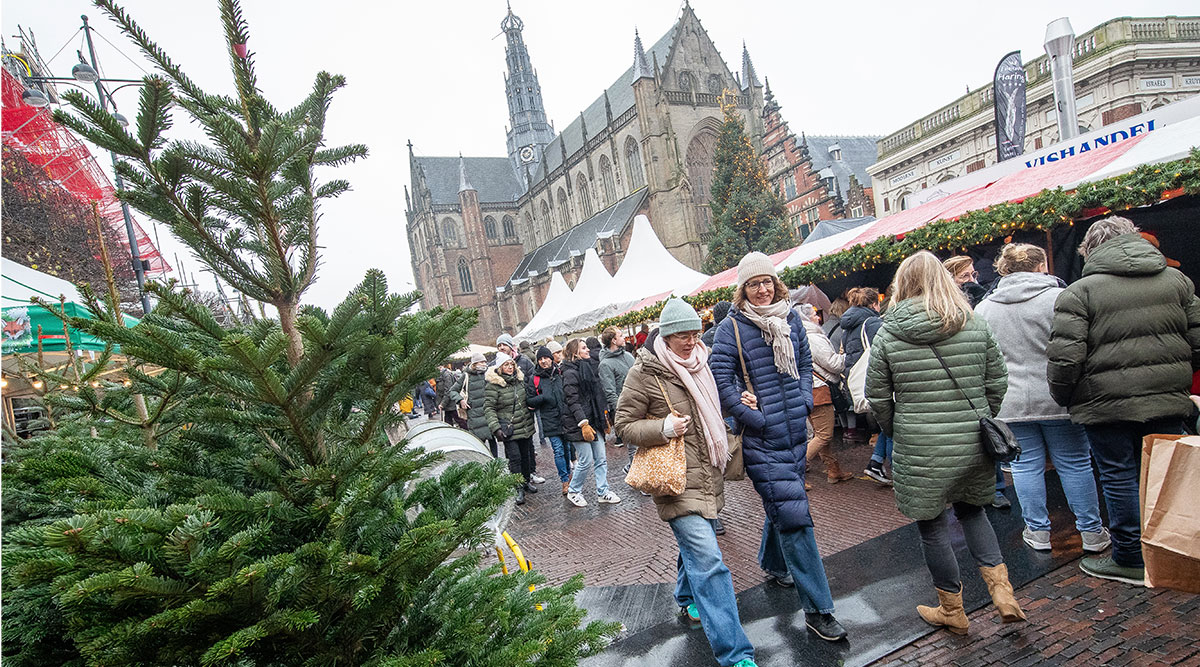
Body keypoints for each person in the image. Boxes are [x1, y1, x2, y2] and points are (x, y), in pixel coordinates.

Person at [865, 250, 1025, 635]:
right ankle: (1003, 595)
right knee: (974, 513)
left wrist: (896, 429)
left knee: (932, 527)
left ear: (902, 284)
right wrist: (979, 416)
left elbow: (878, 396)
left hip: (919, 447)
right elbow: (997, 380)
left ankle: (953, 610)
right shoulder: (973, 323)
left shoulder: (889, 333)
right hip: (971, 441)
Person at [1047, 217, 1200, 585]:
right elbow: (1197, 340)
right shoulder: (1177, 281)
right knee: (1166, 475)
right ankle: (1174, 549)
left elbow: (1066, 359)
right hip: (1166, 398)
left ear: (1091, 250)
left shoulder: (1079, 293)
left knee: (1118, 475)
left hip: (1105, 405)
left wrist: (1065, 396)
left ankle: (1130, 557)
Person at [710, 252, 847, 643]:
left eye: (767, 281)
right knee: (795, 519)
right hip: (763, 440)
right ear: (743, 289)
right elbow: (722, 381)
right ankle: (819, 610)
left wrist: (805, 399)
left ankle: (772, 562)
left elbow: (804, 362)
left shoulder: (790, 319)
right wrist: (752, 416)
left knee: (783, 506)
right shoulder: (731, 328)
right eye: (754, 283)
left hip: (794, 432)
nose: (762, 288)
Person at [614, 298, 758, 667]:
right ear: (666, 334)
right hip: (676, 479)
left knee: (699, 547)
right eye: (683, 335)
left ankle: (684, 596)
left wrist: (733, 402)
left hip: (708, 472)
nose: (691, 341)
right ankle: (735, 654)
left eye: (695, 333)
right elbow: (623, 426)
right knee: (710, 562)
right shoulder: (644, 372)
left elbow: (707, 407)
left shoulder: (703, 362)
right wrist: (662, 427)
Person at [975, 243, 1109, 554]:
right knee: (1076, 464)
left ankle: (1037, 531)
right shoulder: (1060, 299)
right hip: (1060, 396)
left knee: (1024, 468)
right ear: (1041, 266)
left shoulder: (985, 308)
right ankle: (1091, 532)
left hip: (1012, 402)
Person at [795, 303, 853, 485]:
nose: (817, 318)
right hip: (819, 390)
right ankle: (795, 472)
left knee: (821, 433)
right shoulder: (813, 337)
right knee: (824, 435)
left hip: (809, 389)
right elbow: (833, 364)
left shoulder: (798, 336)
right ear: (806, 318)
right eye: (813, 315)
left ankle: (833, 470)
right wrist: (847, 357)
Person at [562, 339, 621, 506]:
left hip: (594, 420)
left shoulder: (589, 367)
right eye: (584, 348)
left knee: (601, 458)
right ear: (575, 353)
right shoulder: (569, 373)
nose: (588, 350)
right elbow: (572, 400)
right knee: (586, 460)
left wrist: (604, 417)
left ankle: (603, 491)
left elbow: (597, 395)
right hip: (578, 424)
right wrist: (583, 423)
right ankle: (574, 491)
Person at [484, 352, 538, 505]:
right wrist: (495, 428)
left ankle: (526, 481)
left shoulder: (519, 381)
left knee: (526, 456)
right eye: (506, 365)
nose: (509, 367)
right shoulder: (493, 385)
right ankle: (518, 487)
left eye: (511, 364)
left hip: (525, 425)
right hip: (509, 429)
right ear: (500, 367)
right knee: (515, 458)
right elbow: (489, 408)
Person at [527, 345, 574, 495]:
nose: (543, 361)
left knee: (567, 449)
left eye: (545, 357)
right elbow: (529, 400)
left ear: (551, 358)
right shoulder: (535, 378)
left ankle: (569, 475)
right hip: (549, 419)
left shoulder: (560, 372)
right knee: (558, 451)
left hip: (565, 417)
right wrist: (542, 398)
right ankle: (564, 480)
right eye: (540, 359)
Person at [839, 287, 883, 443]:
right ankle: (877, 455)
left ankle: (875, 444)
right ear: (873, 304)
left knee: (870, 408)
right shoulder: (871, 323)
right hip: (871, 374)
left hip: (855, 375)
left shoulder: (847, 327)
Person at [598, 327, 635, 448]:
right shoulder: (605, 364)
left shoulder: (628, 356)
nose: (624, 337)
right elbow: (610, 392)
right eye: (620, 335)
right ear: (613, 340)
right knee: (633, 447)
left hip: (642, 404)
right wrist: (621, 411)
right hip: (627, 409)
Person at [461, 353, 498, 457]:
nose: (484, 364)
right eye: (481, 362)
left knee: (492, 440)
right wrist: (461, 400)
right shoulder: (466, 376)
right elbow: (453, 391)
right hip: (475, 415)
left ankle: (495, 462)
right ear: (474, 363)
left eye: (485, 362)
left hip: (488, 413)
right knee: (480, 443)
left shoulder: (488, 373)